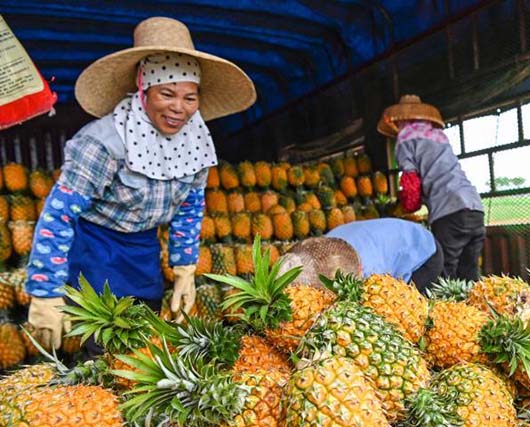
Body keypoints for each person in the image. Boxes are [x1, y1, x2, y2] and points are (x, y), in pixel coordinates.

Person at [25, 17, 256, 352]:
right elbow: (59, 215)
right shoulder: (104, 142)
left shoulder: (196, 144)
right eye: (167, 93)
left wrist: (184, 267)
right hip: (96, 250)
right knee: (101, 349)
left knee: (143, 342)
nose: (179, 108)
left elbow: (189, 210)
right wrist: (45, 290)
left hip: (144, 249)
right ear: (143, 91)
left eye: (190, 98)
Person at [378, 94, 485, 281]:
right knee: (469, 272)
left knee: (442, 273)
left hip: (448, 211)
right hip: (475, 207)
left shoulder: (405, 137)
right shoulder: (439, 136)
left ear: (401, 119)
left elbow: (411, 183)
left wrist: (407, 207)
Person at [278, 218, 444, 293]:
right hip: (391, 240)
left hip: (424, 252)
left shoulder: (370, 271)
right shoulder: (323, 246)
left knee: (407, 307)